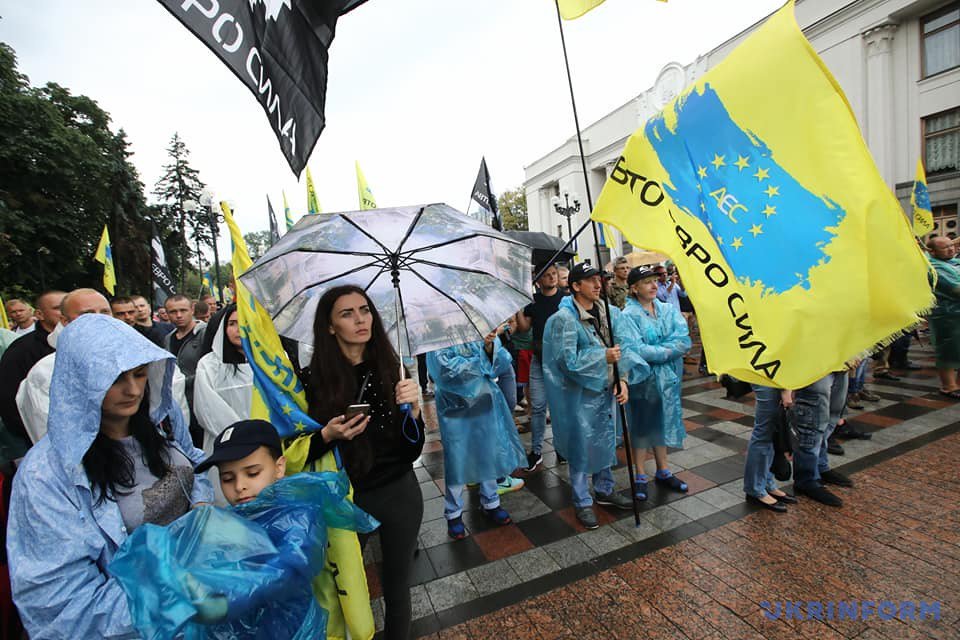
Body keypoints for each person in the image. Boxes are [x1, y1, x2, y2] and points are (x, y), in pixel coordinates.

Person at [7, 314, 213, 639]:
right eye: (115, 379)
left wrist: (202, 505)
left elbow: (195, 462)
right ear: (81, 380)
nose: (132, 390)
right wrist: (177, 590)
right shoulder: (46, 475)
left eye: (141, 374)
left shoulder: (161, 422)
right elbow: (64, 606)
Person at [303, 285, 424, 640]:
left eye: (365, 310)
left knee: (397, 586)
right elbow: (295, 451)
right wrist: (328, 435)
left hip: (400, 493)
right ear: (329, 327)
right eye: (347, 313)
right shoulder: (311, 381)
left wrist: (413, 412)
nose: (360, 319)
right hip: (347, 500)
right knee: (344, 588)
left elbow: (411, 451)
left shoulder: (392, 369)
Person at [542, 262, 648, 529]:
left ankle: (604, 490)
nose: (598, 284)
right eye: (590, 281)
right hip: (578, 397)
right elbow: (567, 361)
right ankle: (581, 500)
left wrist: (622, 378)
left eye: (599, 279)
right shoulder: (563, 320)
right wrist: (602, 356)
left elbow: (623, 346)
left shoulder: (609, 313)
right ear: (576, 286)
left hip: (606, 392)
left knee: (605, 441)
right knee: (580, 446)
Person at [16, 289, 191, 444]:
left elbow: (171, 410)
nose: (133, 390)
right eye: (88, 313)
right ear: (65, 320)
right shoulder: (47, 371)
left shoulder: (142, 357)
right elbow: (52, 435)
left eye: (105, 312)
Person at [427, 334, 527, 540]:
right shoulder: (436, 337)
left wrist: (489, 346)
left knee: (488, 451)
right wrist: (481, 361)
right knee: (457, 458)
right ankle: (453, 513)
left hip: (484, 401)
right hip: (454, 407)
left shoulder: (477, 331)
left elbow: (500, 363)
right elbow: (446, 371)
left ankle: (491, 501)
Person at [621, 266, 691, 500]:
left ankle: (663, 470)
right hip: (643, 380)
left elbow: (683, 341)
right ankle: (639, 475)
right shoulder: (627, 315)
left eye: (654, 281)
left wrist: (659, 351)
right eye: (646, 282)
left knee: (661, 422)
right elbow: (635, 349)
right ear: (634, 288)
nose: (653, 285)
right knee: (642, 426)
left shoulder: (667, 309)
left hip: (668, 379)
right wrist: (667, 350)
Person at [515, 263, 565, 471]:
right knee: (537, 407)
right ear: (538, 280)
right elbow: (523, 328)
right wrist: (518, 307)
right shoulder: (533, 301)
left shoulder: (565, 300)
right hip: (539, 358)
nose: (552, 278)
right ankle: (536, 451)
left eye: (554, 274)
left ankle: (562, 448)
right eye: (547, 275)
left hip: (561, 360)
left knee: (560, 408)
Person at [0, 290, 65, 444]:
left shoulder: (89, 345)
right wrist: (34, 438)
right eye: (58, 308)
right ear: (40, 314)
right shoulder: (20, 350)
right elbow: (10, 402)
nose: (65, 313)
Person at [193, 304, 251, 452]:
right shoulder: (209, 364)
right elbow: (207, 408)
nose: (239, 329)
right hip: (224, 442)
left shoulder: (270, 360)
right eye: (232, 323)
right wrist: (241, 437)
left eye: (245, 321)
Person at [743, 386, 797, 512]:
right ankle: (755, 489)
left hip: (774, 374)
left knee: (771, 432)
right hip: (770, 374)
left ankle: (765, 484)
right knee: (764, 432)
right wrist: (786, 388)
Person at [163, 294, 207, 446]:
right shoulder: (168, 338)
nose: (179, 315)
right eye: (173, 312)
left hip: (201, 401)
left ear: (192, 309)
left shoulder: (204, 334)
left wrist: (181, 382)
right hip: (178, 404)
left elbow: (209, 369)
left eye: (183, 310)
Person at [925, 236, 960, 398]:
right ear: (932, 251)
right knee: (948, 350)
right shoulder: (934, 268)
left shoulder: (953, 262)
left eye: (951, 245)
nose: (951, 249)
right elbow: (955, 289)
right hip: (947, 315)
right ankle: (949, 386)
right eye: (945, 247)